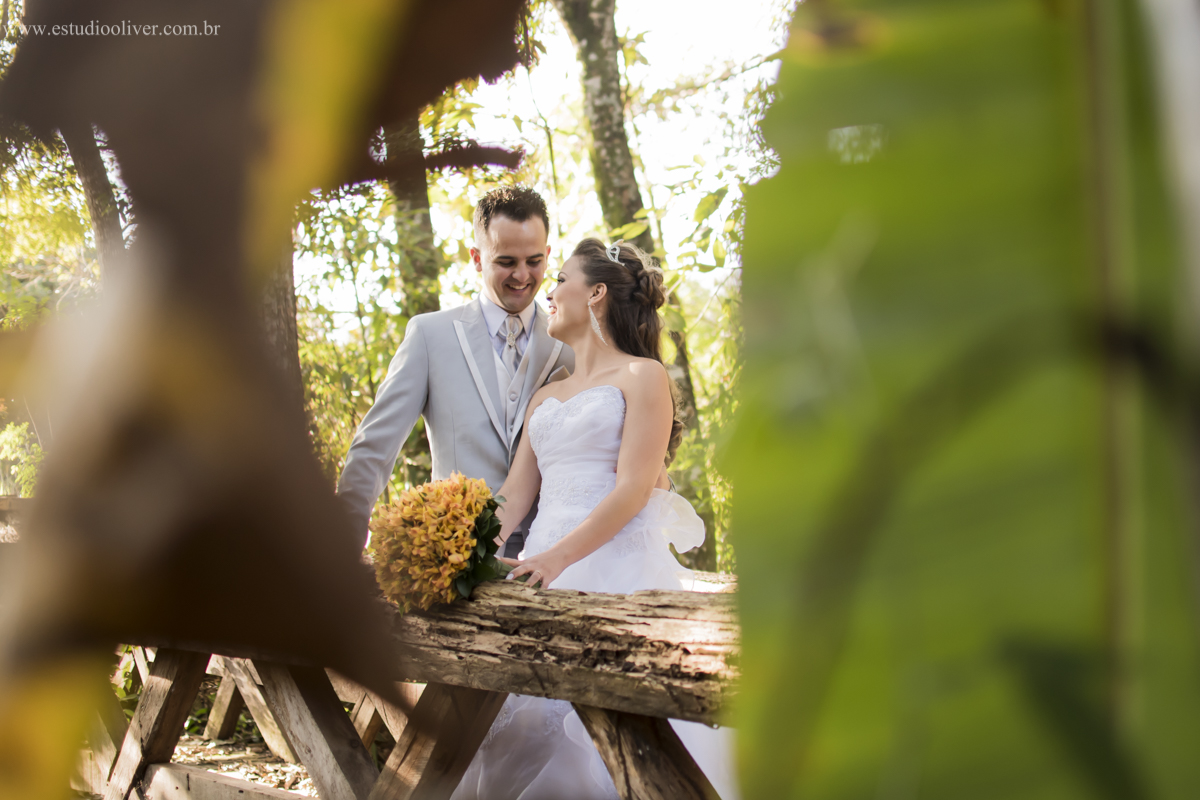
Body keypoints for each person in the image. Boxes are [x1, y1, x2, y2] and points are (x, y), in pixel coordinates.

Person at [451, 239, 739, 800]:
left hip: (615, 575)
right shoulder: (546, 397)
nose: (548, 293)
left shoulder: (643, 375)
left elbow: (634, 488)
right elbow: (513, 495)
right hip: (538, 575)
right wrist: (459, 543)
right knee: (513, 728)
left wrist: (559, 557)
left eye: (559, 279)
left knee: (600, 733)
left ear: (597, 293)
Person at [337, 186, 574, 556]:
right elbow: (374, 449)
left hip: (554, 556)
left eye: (534, 261)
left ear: (547, 254)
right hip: (455, 558)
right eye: (506, 262)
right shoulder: (430, 336)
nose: (522, 276)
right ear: (477, 258)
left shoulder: (572, 345)